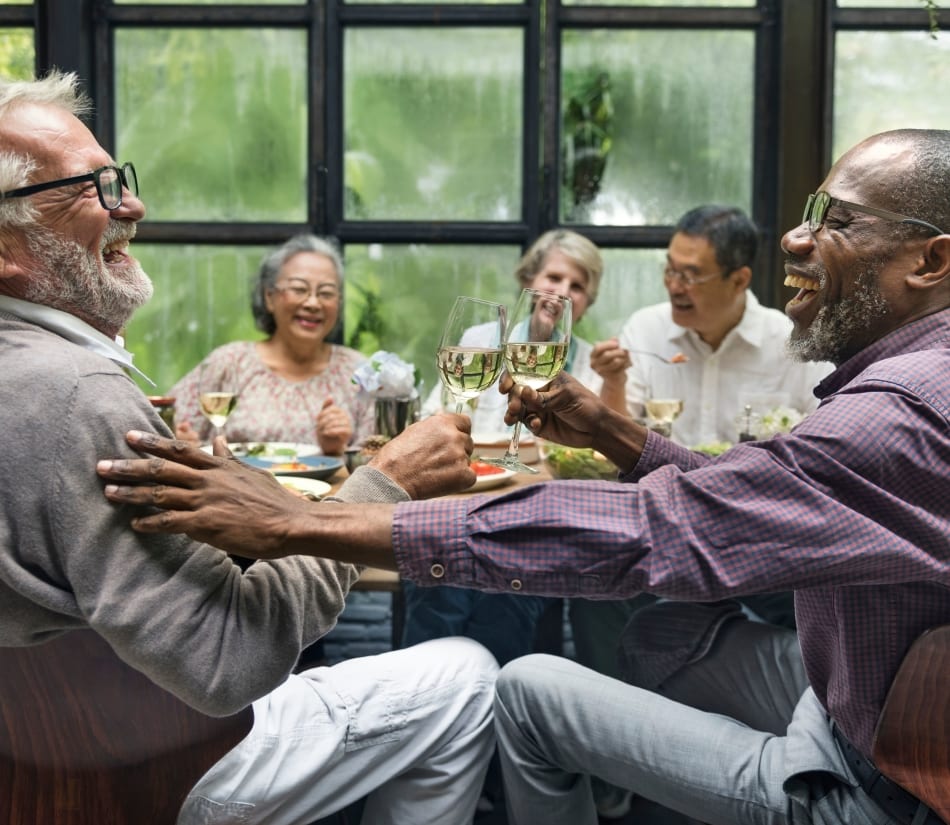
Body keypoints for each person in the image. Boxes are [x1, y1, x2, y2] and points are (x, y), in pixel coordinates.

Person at [101, 127, 950, 825]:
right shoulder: (916, 378)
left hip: (869, 778)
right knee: (656, 636)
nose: (797, 238)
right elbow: (745, 504)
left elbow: (657, 532)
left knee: (522, 687)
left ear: (929, 262)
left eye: (835, 219)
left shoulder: (898, 414)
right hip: (858, 689)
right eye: (808, 212)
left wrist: (303, 522)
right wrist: (619, 434)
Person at [0, 71, 498, 825]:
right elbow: (230, 658)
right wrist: (385, 479)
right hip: (158, 757)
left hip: (37, 757)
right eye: (90, 188)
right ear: (7, 246)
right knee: (469, 674)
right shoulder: (77, 394)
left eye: (118, 179)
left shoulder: (42, 380)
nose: (131, 204)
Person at [408, 229, 616, 671]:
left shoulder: (591, 363)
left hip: (535, 513)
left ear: (588, 300)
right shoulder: (483, 337)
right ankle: (425, 693)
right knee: (438, 586)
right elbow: (434, 418)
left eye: (577, 286)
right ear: (529, 279)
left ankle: (493, 702)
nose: (562, 291)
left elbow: (601, 453)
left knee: (509, 601)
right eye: (554, 277)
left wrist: (614, 381)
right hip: (462, 501)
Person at [170, 233, 374, 457]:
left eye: (326, 293)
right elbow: (167, 427)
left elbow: (376, 462)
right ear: (269, 297)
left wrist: (337, 450)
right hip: (235, 491)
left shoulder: (360, 373)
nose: (314, 303)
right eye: (299, 289)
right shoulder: (230, 362)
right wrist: (180, 441)